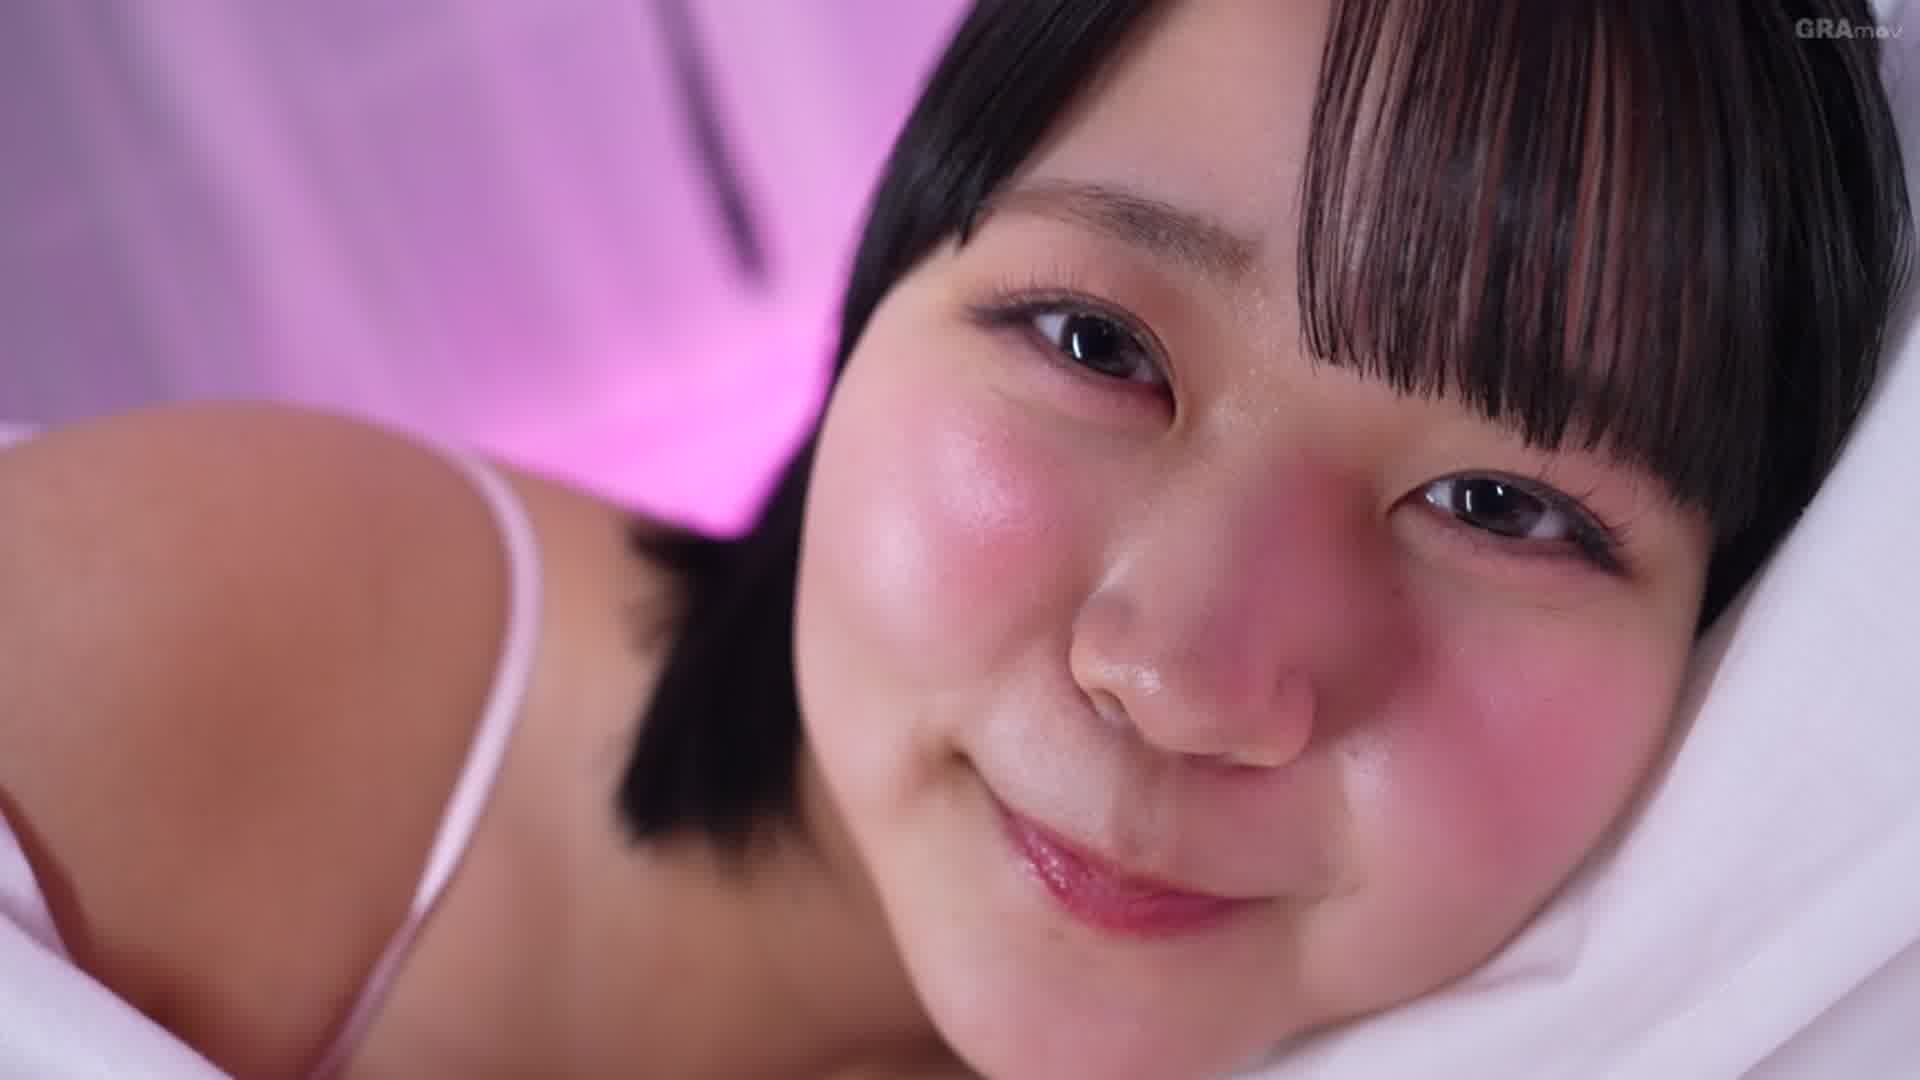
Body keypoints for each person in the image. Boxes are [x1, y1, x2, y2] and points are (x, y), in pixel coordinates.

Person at [0, 0, 1909, 1077]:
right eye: (1095, 344)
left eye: (1502, 507)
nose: (1186, 678)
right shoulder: (273, 620)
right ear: (880, 298)